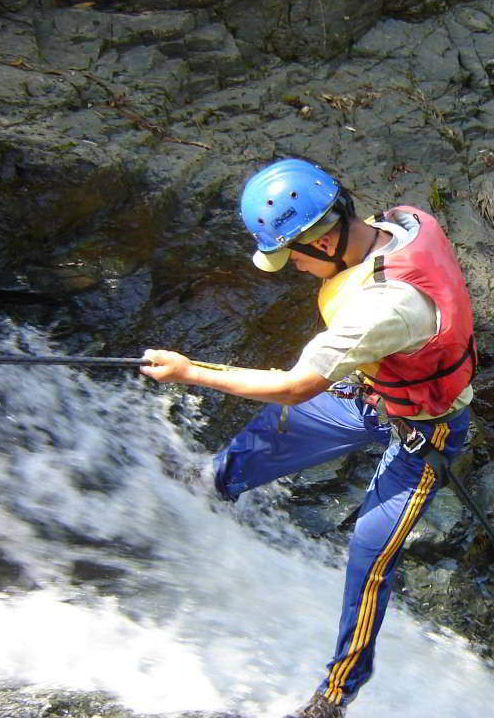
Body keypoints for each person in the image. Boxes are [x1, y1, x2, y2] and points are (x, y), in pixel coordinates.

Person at [140, 158, 476, 718]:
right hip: (373, 396)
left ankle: (335, 696)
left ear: (325, 238)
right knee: (272, 432)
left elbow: (294, 386)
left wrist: (187, 371)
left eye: (293, 253)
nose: (292, 266)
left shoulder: (385, 307)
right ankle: (210, 484)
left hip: (425, 431)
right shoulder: (403, 222)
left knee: (369, 559)